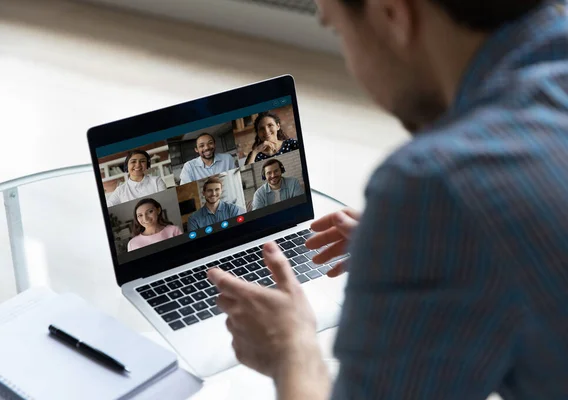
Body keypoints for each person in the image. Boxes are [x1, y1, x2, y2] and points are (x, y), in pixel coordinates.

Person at [208, 0, 568, 399]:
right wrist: (436, 245)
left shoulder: (437, 184)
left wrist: (291, 351)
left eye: (336, 29)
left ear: (392, 13)